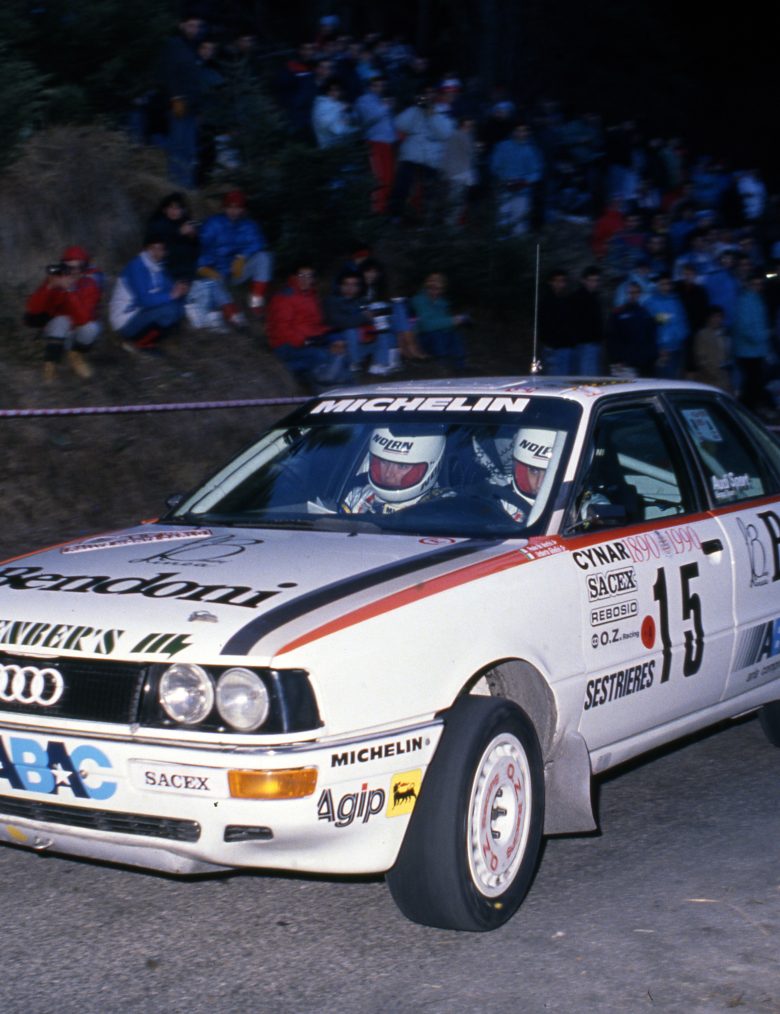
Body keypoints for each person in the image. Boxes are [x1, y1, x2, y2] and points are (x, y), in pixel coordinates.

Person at [24, 245, 102, 381]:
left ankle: (75, 355)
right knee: (61, 321)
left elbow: (84, 318)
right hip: (57, 333)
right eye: (69, 267)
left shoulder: (89, 285)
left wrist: (70, 291)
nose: (73, 272)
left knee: (92, 328)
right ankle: (50, 363)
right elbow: (33, 308)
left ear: (83, 268)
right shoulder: (55, 280)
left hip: (76, 333)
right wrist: (49, 287)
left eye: (77, 267)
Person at [265, 265, 349, 391]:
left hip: (309, 341)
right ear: (294, 277)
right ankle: (326, 385)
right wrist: (305, 342)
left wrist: (333, 336)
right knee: (320, 355)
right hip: (286, 345)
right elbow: (281, 329)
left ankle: (339, 386)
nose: (305, 279)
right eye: (301, 276)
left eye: (309, 276)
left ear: (313, 279)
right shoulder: (284, 297)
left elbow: (315, 326)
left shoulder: (311, 296)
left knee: (339, 347)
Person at [196, 189, 273, 325]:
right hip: (217, 271)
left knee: (264, 257)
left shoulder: (248, 225)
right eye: (230, 207)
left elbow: (258, 242)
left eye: (237, 208)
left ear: (242, 209)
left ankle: (256, 302)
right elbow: (202, 247)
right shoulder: (213, 223)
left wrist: (242, 257)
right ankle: (232, 314)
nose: (233, 211)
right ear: (224, 207)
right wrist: (203, 266)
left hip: (237, 271)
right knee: (214, 281)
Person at [109, 234, 188, 353]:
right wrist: (171, 295)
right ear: (145, 249)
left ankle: (146, 341)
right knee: (169, 310)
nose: (156, 252)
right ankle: (139, 344)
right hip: (125, 319)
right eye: (153, 248)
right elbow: (144, 300)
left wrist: (179, 288)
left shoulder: (158, 267)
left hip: (141, 312)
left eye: (160, 249)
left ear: (164, 252)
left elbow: (168, 288)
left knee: (179, 308)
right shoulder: (137, 266)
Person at [341, 427, 448, 514]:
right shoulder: (358, 497)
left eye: (402, 466)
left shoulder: (442, 508)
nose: (388, 474)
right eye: (383, 462)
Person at [480, 426, 555, 524]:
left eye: (550, 473)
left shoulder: (572, 504)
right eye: (534, 471)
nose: (540, 484)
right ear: (520, 470)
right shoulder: (496, 496)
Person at [410, 272, 467, 371]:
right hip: (420, 337)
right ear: (426, 286)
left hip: (440, 335)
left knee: (453, 334)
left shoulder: (442, 302)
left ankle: (460, 366)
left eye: (438, 288)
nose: (434, 291)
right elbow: (426, 325)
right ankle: (441, 364)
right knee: (438, 334)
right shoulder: (418, 300)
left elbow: (444, 322)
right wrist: (452, 321)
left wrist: (458, 320)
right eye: (431, 287)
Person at [606, 281, 658, 378]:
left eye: (636, 292)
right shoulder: (618, 313)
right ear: (626, 294)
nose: (633, 295)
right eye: (630, 292)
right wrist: (616, 359)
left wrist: (652, 357)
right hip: (623, 363)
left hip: (642, 362)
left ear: (639, 294)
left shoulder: (645, 313)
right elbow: (612, 338)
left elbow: (650, 337)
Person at [692, 305, 732, 392]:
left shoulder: (725, 334)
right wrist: (712, 373)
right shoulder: (702, 335)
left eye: (719, 317)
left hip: (724, 376)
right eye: (714, 317)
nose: (717, 320)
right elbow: (701, 358)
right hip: (709, 378)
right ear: (709, 318)